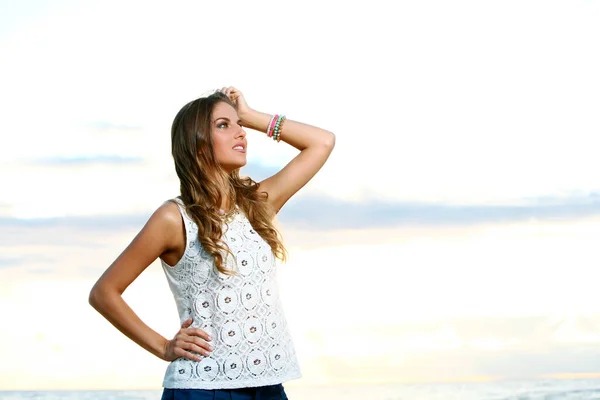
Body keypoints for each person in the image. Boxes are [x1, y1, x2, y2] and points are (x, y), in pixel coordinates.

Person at [89, 87, 335, 400]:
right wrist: (164, 346)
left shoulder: (257, 204)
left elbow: (322, 142)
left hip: (269, 386)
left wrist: (250, 115)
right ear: (197, 142)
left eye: (239, 125)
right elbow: (104, 293)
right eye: (223, 125)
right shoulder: (173, 218)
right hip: (203, 388)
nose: (241, 133)